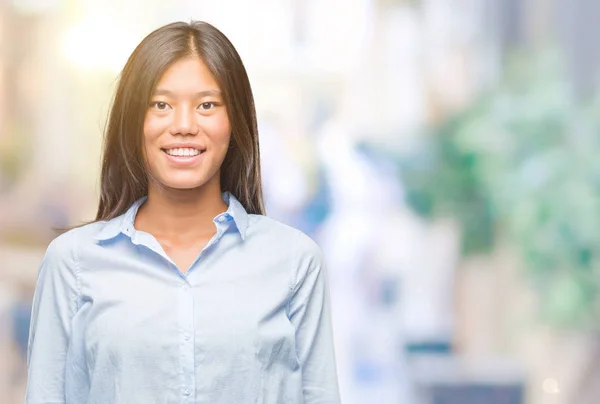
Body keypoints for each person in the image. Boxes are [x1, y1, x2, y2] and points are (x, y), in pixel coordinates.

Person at [25, 21, 340, 404]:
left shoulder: (294, 261)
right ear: (133, 121)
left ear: (235, 121)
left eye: (207, 105)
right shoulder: (72, 263)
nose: (184, 125)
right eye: (161, 105)